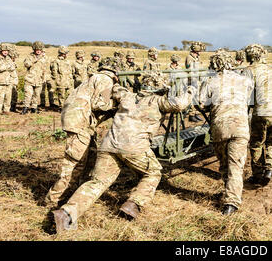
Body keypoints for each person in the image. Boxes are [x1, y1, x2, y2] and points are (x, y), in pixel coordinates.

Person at [52, 71, 197, 232]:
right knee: (154, 172)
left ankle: (66, 213)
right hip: (134, 148)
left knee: (97, 182)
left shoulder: (127, 96)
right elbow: (179, 104)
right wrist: (190, 90)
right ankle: (133, 204)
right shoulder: (158, 101)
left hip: (109, 146)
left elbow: (116, 89)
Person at [45, 57, 120, 208]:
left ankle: (76, 196)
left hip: (80, 121)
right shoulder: (106, 80)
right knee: (75, 164)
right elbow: (99, 104)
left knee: (90, 158)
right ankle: (53, 200)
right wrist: (118, 103)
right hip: (80, 122)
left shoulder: (94, 78)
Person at [199, 51, 253, 215]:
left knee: (224, 165)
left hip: (220, 127)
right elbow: (249, 98)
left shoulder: (210, 81)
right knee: (236, 165)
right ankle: (231, 202)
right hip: (241, 127)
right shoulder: (245, 81)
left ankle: (229, 197)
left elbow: (201, 103)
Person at [242, 44, 272, 186]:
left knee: (257, 143)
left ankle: (257, 175)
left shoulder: (248, 71)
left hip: (263, 112)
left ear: (248, 56)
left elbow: (245, 95)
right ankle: (269, 167)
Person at [22, 41, 47, 114]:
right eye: (37, 49)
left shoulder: (44, 58)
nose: (38, 51)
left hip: (39, 79)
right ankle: (25, 108)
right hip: (30, 79)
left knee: (36, 95)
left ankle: (34, 108)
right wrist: (36, 59)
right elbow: (27, 64)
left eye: (40, 49)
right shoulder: (30, 57)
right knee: (28, 95)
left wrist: (44, 78)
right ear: (34, 50)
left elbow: (44, 69)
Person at [185, 41, 206, 122]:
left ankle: (196, 113)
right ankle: (191, 114)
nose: (200, 53)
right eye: (199, 51)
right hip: (192, 80)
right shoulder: (189, 57)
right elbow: (189, 69)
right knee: (192, 97)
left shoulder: (197, 57)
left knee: (197, 97)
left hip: (198, 80)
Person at [0, 43, 16, 115]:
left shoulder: (8, 58)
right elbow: (0, 68)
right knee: (0, 98)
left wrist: (8, 66)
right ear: (1, 50)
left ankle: (6, 110)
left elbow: (14, 67)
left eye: (7, 50)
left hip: (9, 81)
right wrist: (9, 66)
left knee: (8, 97)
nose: (6, 52)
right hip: (0, 81)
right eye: (4, 50)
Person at [8, 47, 19, 112]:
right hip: (9, 80)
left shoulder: (13, 62)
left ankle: (13, 106)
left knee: (14, 94)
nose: (14, 58)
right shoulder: (7, 62)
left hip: (14, 81)